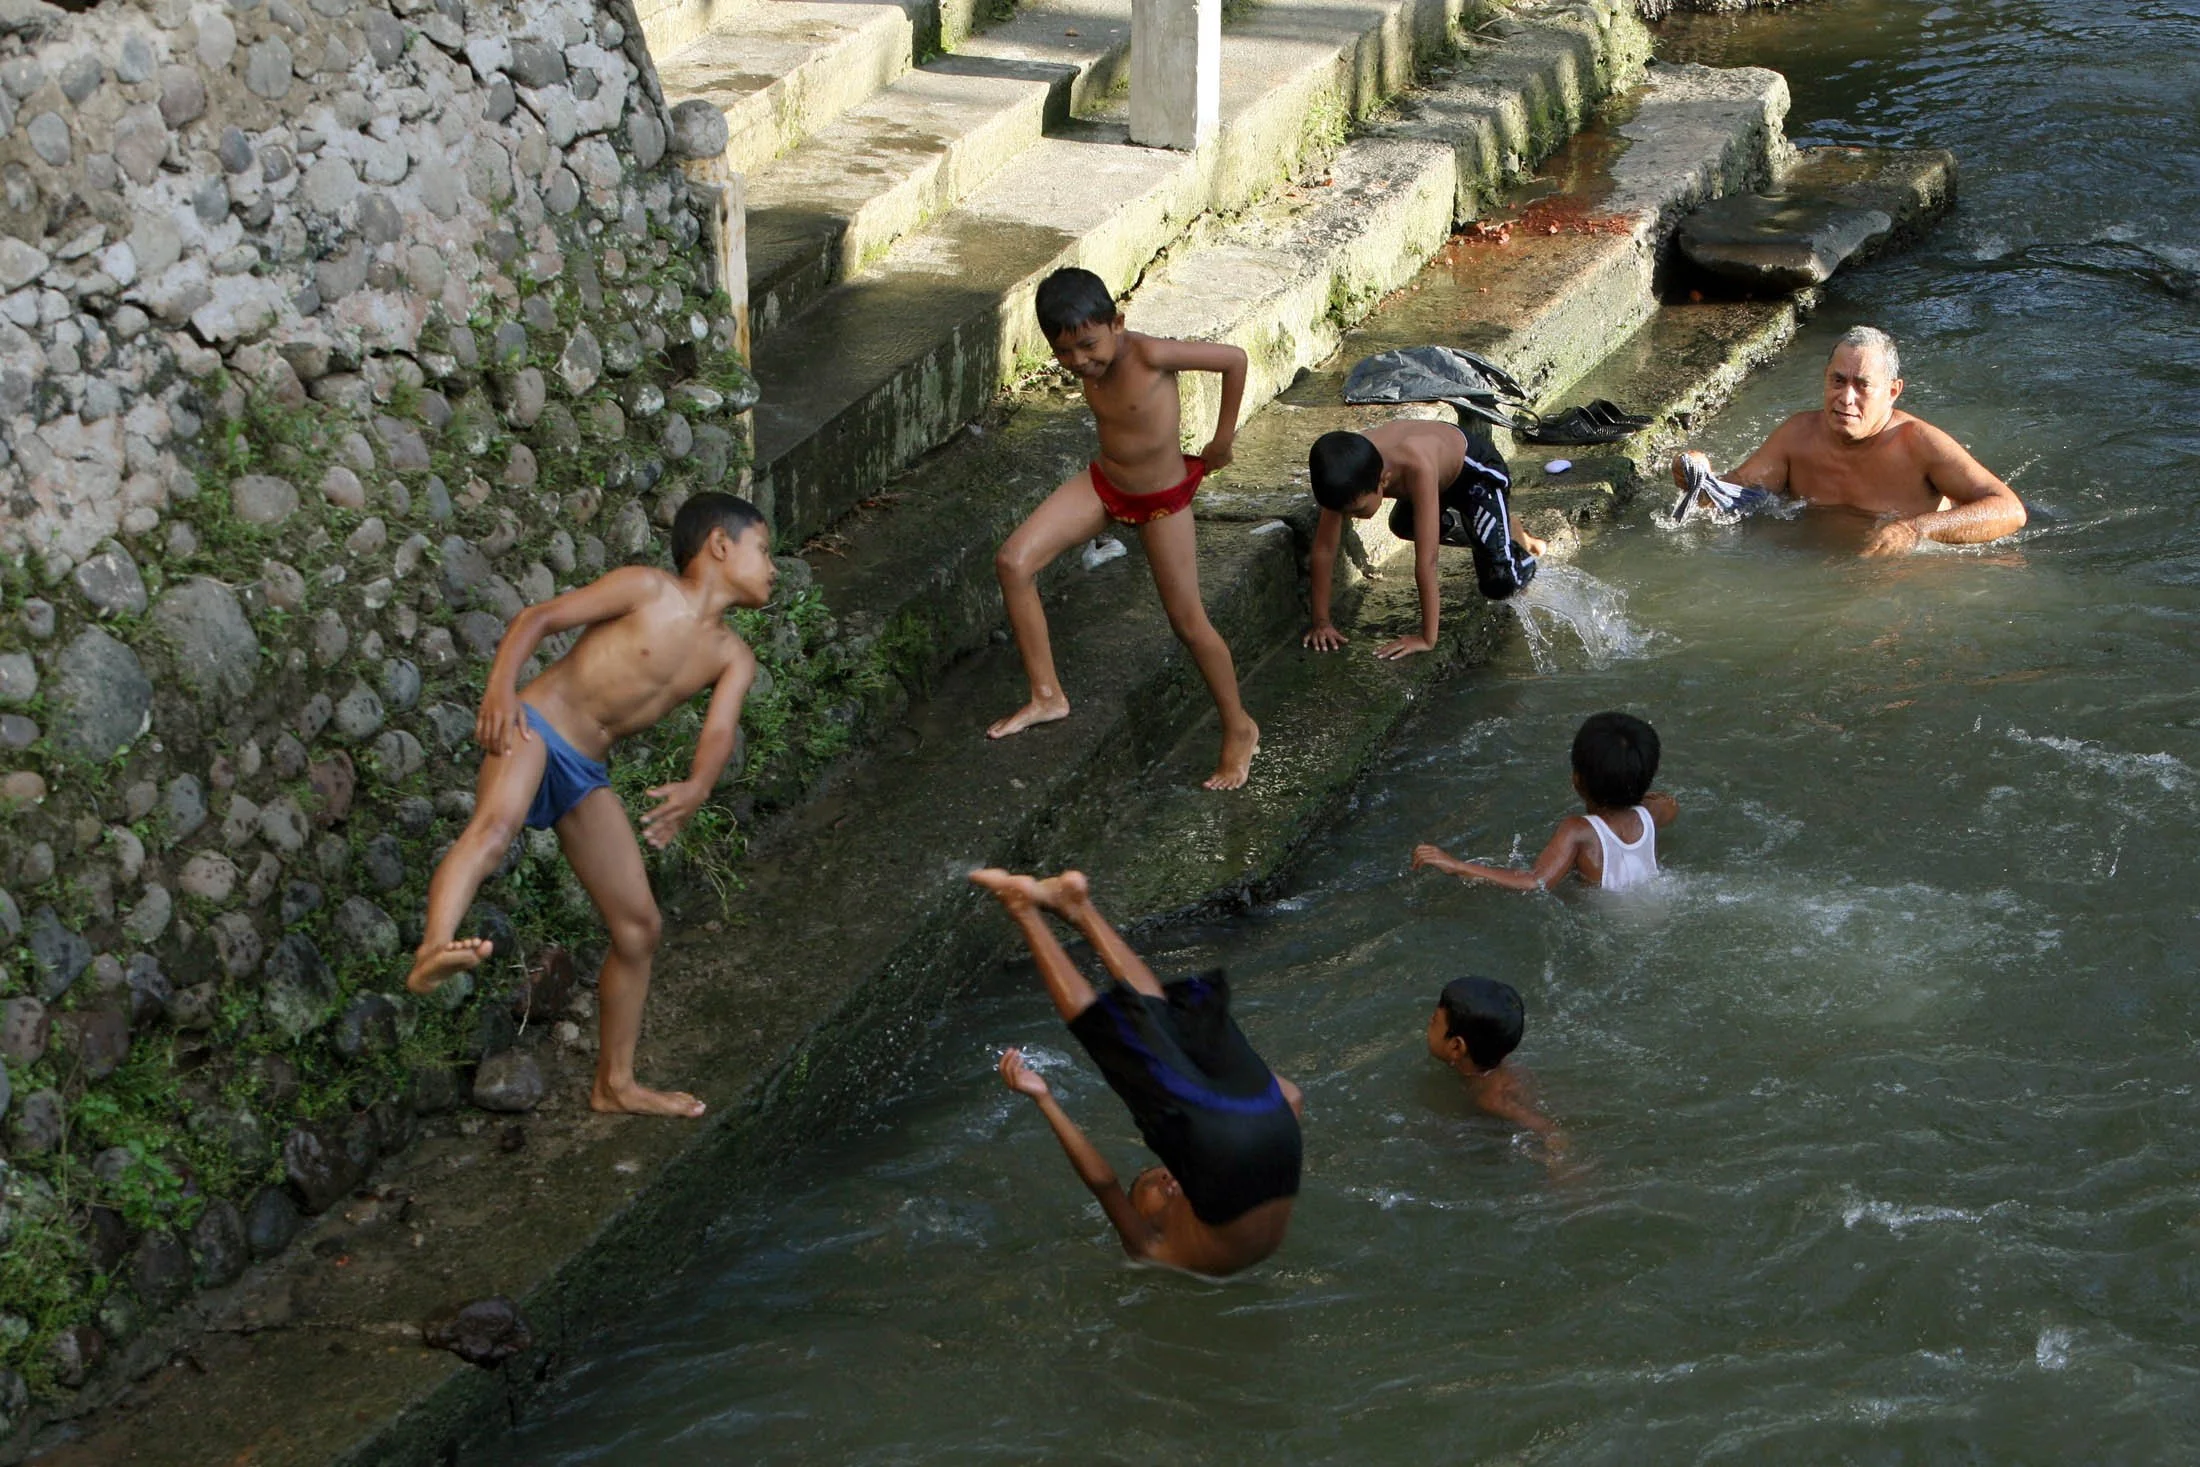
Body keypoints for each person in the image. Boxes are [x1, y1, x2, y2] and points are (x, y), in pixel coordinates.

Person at [402, 493, 777, 1119]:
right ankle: (432, 949)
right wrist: (499, 691)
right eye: (763, 550)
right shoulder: (647, 589)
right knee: (495, 830)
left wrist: (697, 786)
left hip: (585, 772)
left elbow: (718, 732)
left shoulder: (732, 656)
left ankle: (615, 1085)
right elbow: (540, 618)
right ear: (719, 544)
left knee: (639, 928)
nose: (772, 567)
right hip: (534, 726)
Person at [987, 268, 1261, 790]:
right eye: (1063, 352)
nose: (1078, 362)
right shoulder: (1089, 361)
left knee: (1189, 623)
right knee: (1013, 562)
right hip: (1106, 485)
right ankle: (1047, 695)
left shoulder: (1150, 354)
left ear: (1117, 323)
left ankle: (1239, 726)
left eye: (1088, 346)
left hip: (1162, 501)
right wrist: (1083, 356)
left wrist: (1222, 439)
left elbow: (1234, 359)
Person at [975, 867, 1303, 1276]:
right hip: (1257, 1130)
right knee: (1142, 1032)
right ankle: (1039, 907)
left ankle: (1068, 908)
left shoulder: (1153, 1244)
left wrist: (1045, 1099)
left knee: (1155, 1028)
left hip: (1248, 1133)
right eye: (1162, 1183)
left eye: (1153, 1182)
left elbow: (1104, 1183)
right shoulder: (1164, 1242)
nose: (1165, 1183)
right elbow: (1292, 1097)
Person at [1669, 325, 2027, 554]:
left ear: (1893, 391)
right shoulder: (1797, 436)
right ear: (1825, 378)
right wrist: (1697, 476)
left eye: (1862, 385)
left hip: (1902, 585)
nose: (1846, 398)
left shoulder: (1919, 444)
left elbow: (2009, 510)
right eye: (1838, 381)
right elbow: (1732, 497)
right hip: (1814, 570)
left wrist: (1914, 530)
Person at [1303, 417, 1547, 660]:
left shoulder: (1416, 467)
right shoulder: (1345, 476)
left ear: (1383, 481)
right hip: (1437, 471)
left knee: (1501, 582)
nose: (1349, 517)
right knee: (1404, 525)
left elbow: (1427, 562)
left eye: (1356, 511)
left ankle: (1511, 545)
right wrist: (1321, 622)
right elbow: (1324, 550)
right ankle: (1497, 529)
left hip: (1476, 473)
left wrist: (1427, 638)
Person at [1412, 711, 1675, 893]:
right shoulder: (1655, 812)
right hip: (1660, 903)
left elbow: (1535, 882)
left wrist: (1457, 865)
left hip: (1612, 927)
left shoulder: (1578, 831)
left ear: (1576, 780)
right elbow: (1671, 805)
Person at [1425, 976, 1566, 1163]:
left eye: (1434, 1020)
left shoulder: (1490, 1099)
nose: (1429, 1020)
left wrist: (1558, 1165)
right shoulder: (1492, 1058)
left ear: (1456, 1047)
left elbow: (1550, 1130)